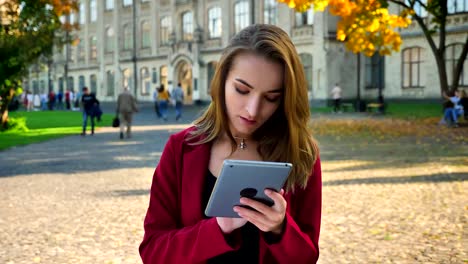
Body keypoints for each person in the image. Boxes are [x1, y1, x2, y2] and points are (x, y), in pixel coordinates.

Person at [139, 24, 322, 263]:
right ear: (221, 80)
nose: (253, 110)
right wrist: (217, 229)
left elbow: (307, 258)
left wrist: (280, 229)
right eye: (242, 90)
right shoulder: (181, 149)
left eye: (271, 97)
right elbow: (153, 252)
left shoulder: (301, 153)